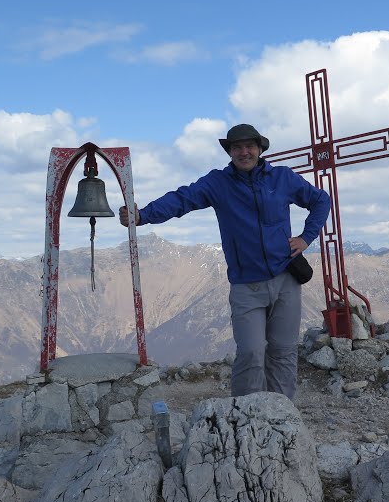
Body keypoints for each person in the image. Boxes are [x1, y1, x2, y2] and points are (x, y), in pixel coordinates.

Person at [119, 123, 331, 400]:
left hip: (286, 279)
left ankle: (282, 413)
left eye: (249, 146)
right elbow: (182, 199)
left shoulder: (282, 178)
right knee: (251, 352)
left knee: (284, 351)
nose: (244, 152)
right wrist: (142, 215)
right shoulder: (218, 183)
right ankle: (245, 414)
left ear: (260, 149)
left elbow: (321, 200)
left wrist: (306, 237)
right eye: (237, 147)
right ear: (230, 152)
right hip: (247, 285)